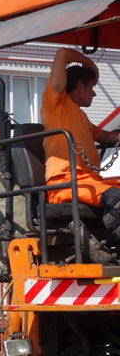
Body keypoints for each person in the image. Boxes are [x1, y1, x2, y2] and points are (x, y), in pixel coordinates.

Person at [41, 48, 120, 247]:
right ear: (79, 85)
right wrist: (90, 65)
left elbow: (107, 136)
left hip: (88, 182)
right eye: (92, 87)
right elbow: (61, 54)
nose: (94, 93)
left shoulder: (81, 118)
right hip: (65, 184)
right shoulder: (55, 105)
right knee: (116, 198)